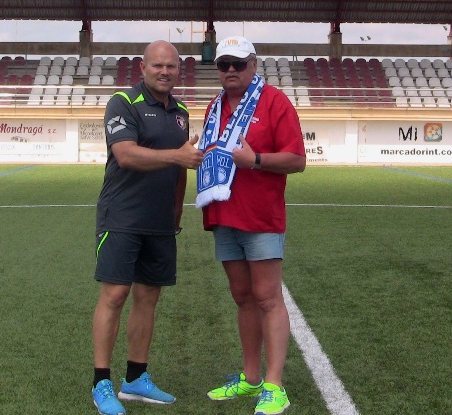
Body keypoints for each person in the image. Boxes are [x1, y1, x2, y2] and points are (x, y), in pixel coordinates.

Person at [91, 40, 202, 415]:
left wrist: (175, 215)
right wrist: (178, 155)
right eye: (158, 66)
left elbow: (181, 169)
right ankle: (101, 382)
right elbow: (125, 154)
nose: (165, 72)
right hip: (121, 216)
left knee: (148, 298)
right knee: (115, 295)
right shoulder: (122, 102)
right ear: (142, 67)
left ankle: (136, 378)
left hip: (159, 223)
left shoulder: (181, 111)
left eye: (171, 66)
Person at [197, 36, 306, 415]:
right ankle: (251, 377)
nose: (230, 70)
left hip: (260, 216)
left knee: (267, 297)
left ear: (253, 66)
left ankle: (275, 386)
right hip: (224, 213)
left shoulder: (275, 102)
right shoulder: (214, 106)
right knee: (242, 296)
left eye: (238, 64)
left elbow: (296, 159)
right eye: (224, 64)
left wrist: (255, 159)